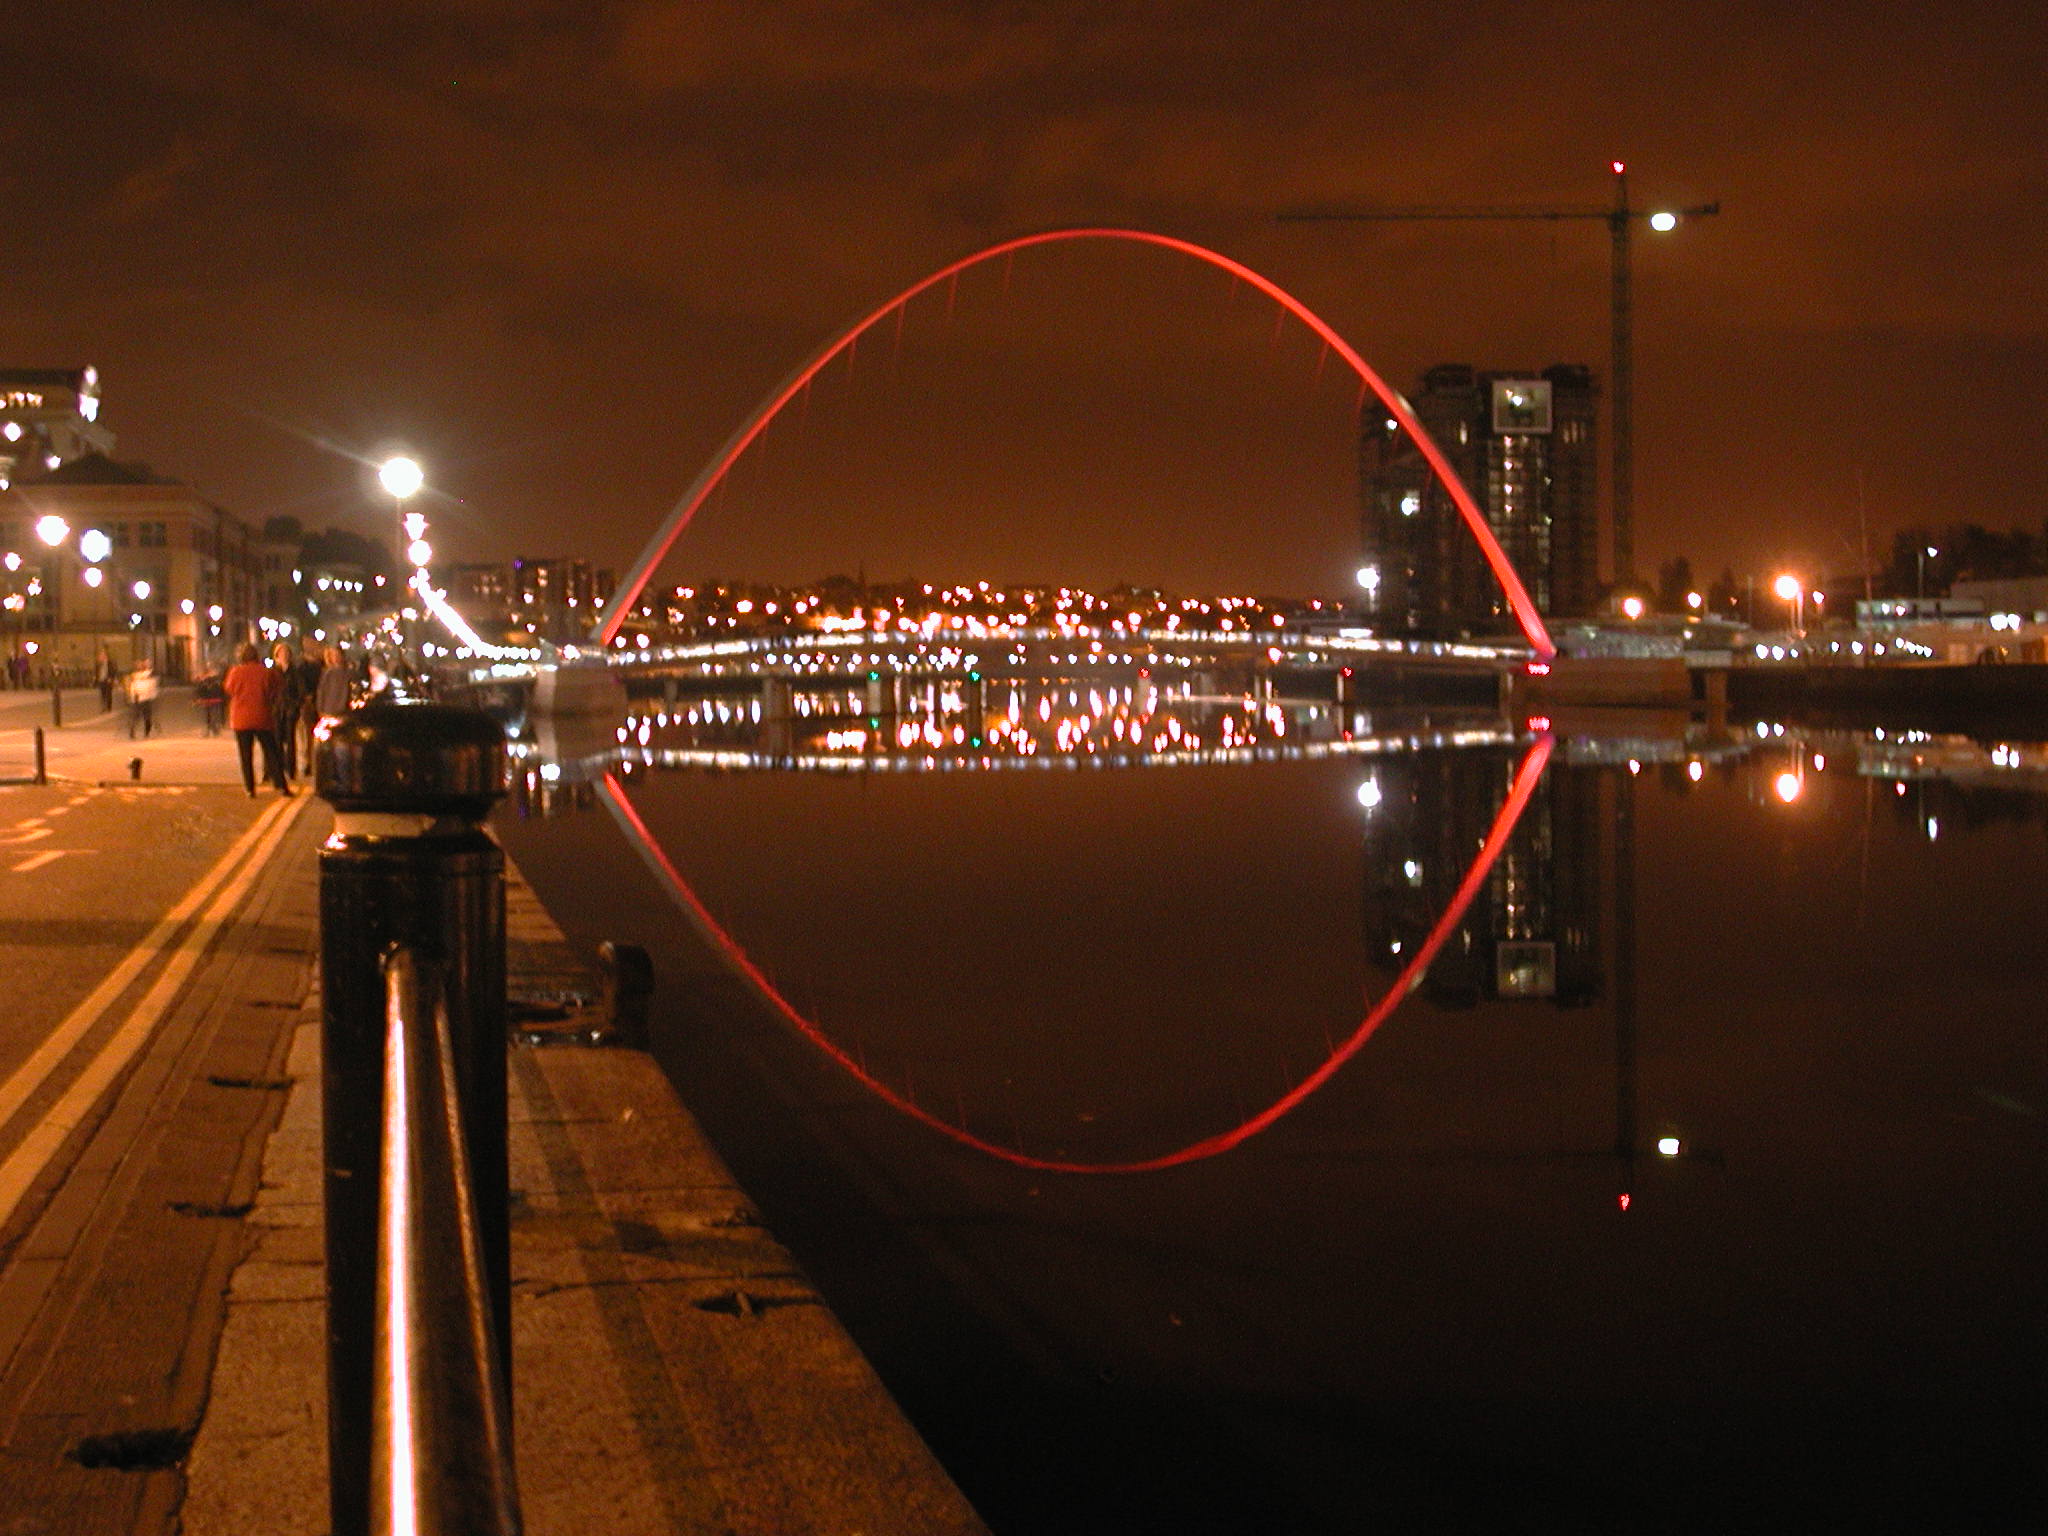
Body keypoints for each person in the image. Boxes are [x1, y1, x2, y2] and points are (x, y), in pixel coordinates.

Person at [223, 642, 290, 796]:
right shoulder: (266, 672)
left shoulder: (235, 672)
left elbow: (229, 689)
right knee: (271, 752)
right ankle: (280, 785)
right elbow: (278, 686)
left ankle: (250, 788)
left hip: (241, 718)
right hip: (262, 716)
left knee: (246, 755)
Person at [270, 641, 304, 780]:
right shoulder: (273, 672)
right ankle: (277, 769)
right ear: (276, 655)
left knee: (290, 740)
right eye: (281, 653)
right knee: (276, 740)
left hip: (290, 709)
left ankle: (291, 769)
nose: (284, 655)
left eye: (286, 653)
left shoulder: (295, 671)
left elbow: (301, 690)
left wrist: (295, 705)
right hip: (277, 710)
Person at [293, 637, 324, 767]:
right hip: (307, 702)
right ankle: (308, 759)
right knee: (307, 733)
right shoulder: (301, 664)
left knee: (318, 732)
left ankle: (315, 759)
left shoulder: (321, 663)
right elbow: (298, 682)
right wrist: (305, 695)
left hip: (319, 701)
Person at [126, 657, 158, 739]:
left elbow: (153, 686)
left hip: (145, 698)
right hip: (139, 698)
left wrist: (152, 695)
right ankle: (134, 732)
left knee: (145, 717)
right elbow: (132, 687)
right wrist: (133, 696)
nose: (140, 666)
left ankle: (146, 732)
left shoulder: (149, 674)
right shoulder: (136, 676)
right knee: (138, 716)